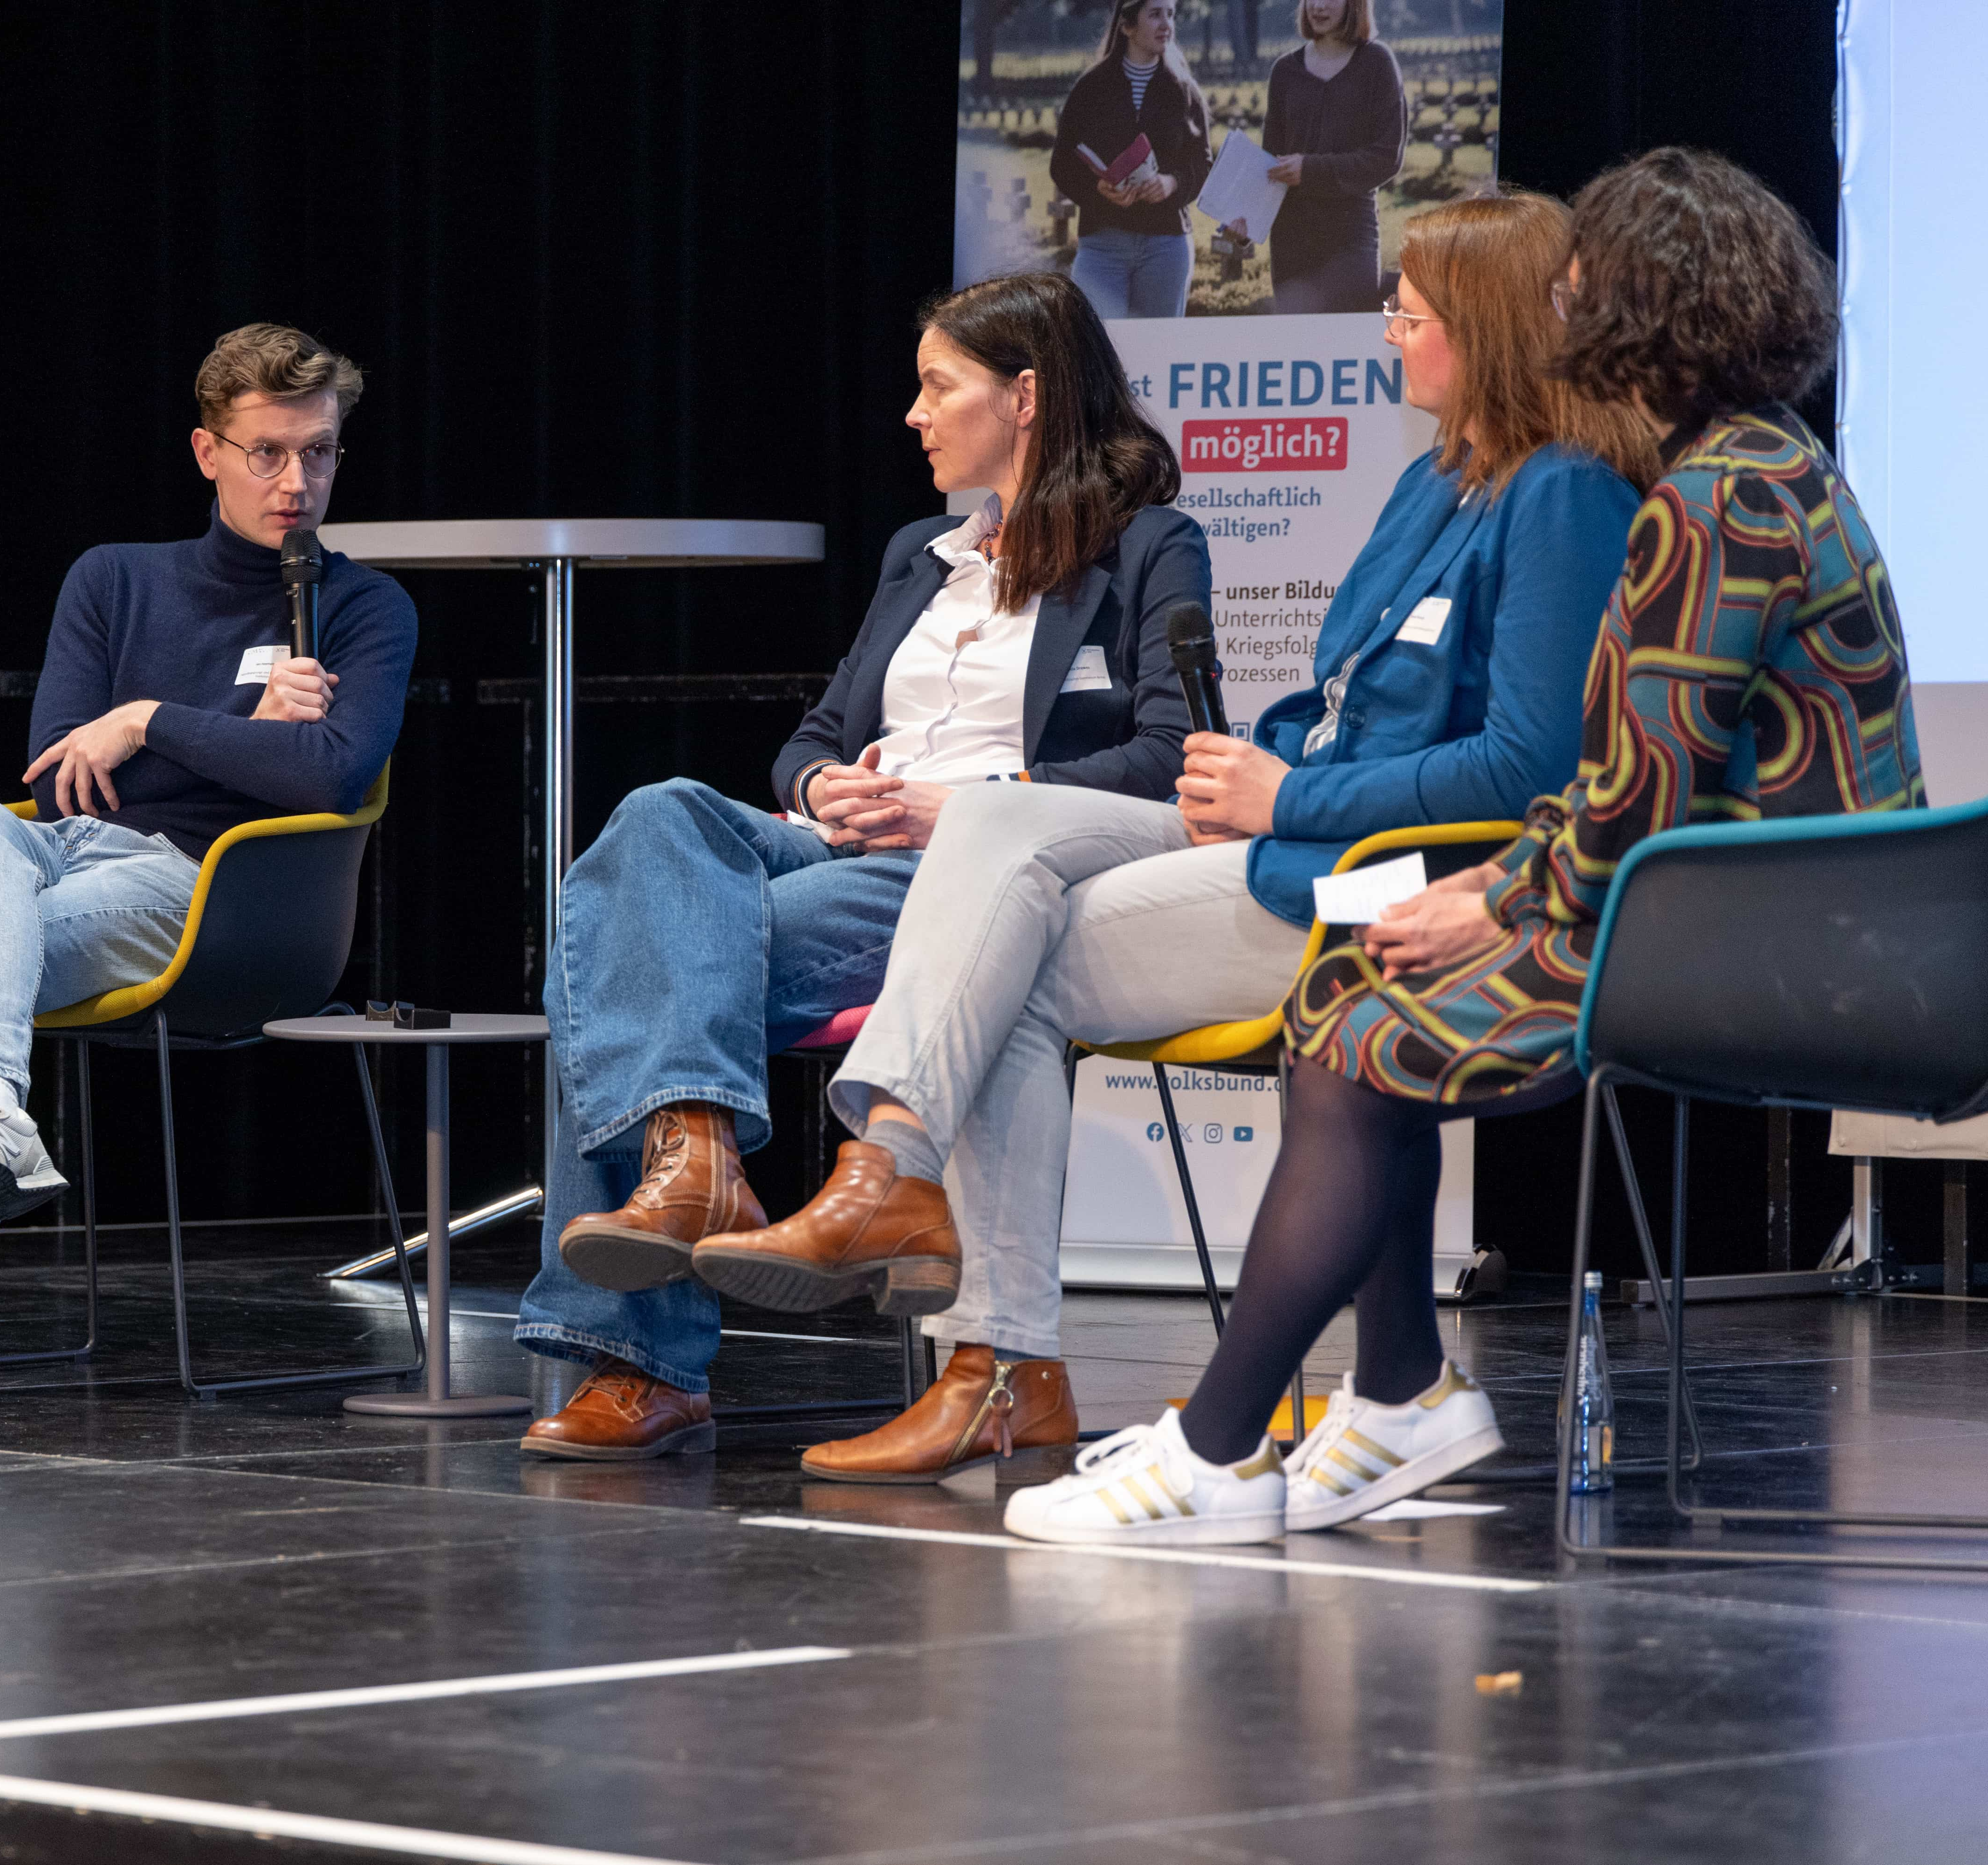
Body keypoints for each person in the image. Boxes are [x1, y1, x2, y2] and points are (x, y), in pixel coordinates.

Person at [1007, 149, 1921, 1545]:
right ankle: (1385, 1398)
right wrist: (1495, 891)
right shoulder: (1765, 467)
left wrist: (1487, 900)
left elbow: (1627, 803)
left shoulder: (1708, 503)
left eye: (1580, 287)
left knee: (1356, 1015)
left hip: (1758, 951)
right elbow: (1637, 792)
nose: (1559, 308)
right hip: (1754, 918)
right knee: (1355, 988)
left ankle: (1222, 1443)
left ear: (1633, 310)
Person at [706, 191, 1659, 1486]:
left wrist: (1287, 798)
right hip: (1298, 840)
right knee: (1000, 908)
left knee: (1004, 946)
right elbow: (1339, 702)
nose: (1388, 333)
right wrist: (1247, 767)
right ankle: (981, 1328)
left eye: (1413, 313)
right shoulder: (1438, 482)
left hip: (1415, 886)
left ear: (1480, 332)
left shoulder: (1561, 497)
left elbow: (1533, 765)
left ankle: (956, 1281)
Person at [515, 271, 1209, 1460]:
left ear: (1027, 395)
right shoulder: (918, 552)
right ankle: (694, 1165)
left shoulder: (1148, 545)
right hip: (838, 843)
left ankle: (650, 1352)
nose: (913, 413)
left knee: (612, 971)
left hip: (968, 873)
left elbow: (1172, 756)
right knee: (656, 815)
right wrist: (816, 787)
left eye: (939, 386)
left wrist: (970, 805)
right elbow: (816, 736)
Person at [0, 323, 415, 1410]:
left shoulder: (363, 606)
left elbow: (334, 777)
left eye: (321, 452)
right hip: (64, 851)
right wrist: (248, 722)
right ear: (208, 452)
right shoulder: (113, 579)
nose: (298, 481)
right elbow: (61, 769)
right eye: (268, 452)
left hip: (212, 887)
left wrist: (147, 719)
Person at [1241, 0, 1406, 315]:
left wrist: (1310, 170)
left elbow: (1387, 157)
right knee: (1298, 346)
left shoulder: (1377, 63)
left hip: (1350, 241)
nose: (1317, 5)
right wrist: (1243, 222)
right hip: (1291, 243)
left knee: (1344, 346)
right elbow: (1270, 164)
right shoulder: (1285, 71)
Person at [1053, 0, 1212, 320]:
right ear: (1127, 26)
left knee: (1158, 355)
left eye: (1171, 14)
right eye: (1155, 14)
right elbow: (1062, 165)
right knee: (1098, 354)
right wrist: (1098, 188)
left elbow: (1203, 162)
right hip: (1102, 246)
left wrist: (1173, 183)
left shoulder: (1184, 90)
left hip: (1166, 247)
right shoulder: (1091, 88)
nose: (1167, 24)